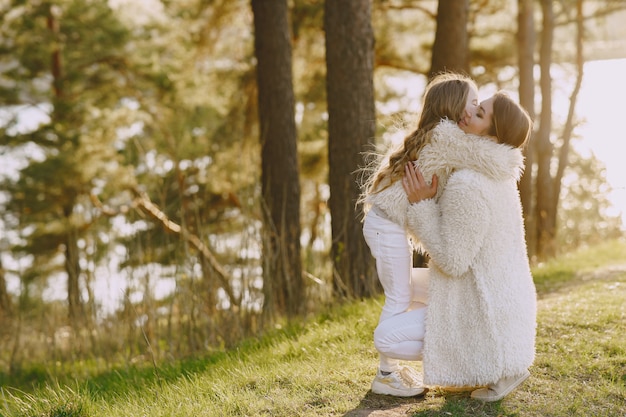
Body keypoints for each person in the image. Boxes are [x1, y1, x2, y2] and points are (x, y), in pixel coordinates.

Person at [401, 91, 537, 402]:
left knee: (399, 296)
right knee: (405, 286)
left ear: (492, 133)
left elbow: (452, 261)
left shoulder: (470, 183)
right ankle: (507, 364)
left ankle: (497, 367)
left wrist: (421, 207)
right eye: (477, 104)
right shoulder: (500, 176)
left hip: (487, 304)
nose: (470, 111)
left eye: (479, 114)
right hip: (510, 297)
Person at [360, 72, 489, 397]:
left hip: (385, 224)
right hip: (386, 226)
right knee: (399, 297)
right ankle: (386, 375)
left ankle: (394, 364)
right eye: (473, 103)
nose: (475, 110)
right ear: (456, 108)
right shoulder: (446, 138)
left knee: (407, 291)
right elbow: (478, 155)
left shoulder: (435, 135)